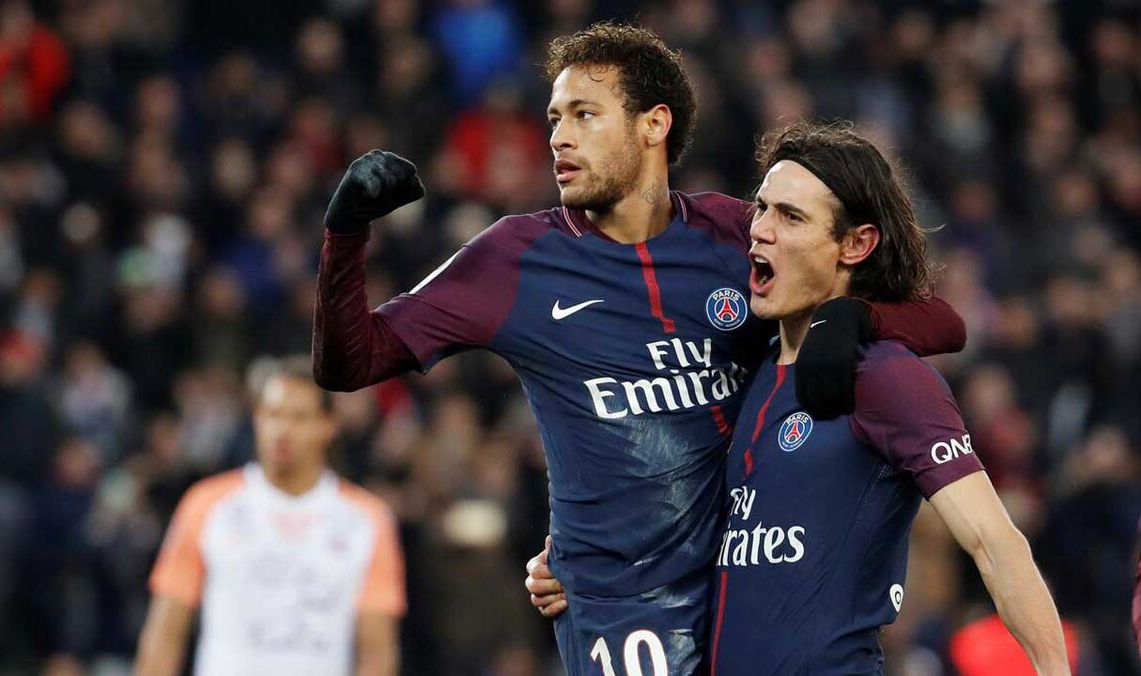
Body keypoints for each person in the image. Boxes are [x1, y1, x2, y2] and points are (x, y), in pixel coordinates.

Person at [313, 23, 965, 675]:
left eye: (584, 115)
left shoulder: (733, 234)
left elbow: (941, 322)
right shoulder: (514, 258)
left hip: (740, 588)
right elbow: (352, 362)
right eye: (554, 119)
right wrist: (345, 236)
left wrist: (851, 318)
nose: (558, 137)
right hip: (622, 612)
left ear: (653, 125)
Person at [533, 121, 1069, 675]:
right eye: (762, 209)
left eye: (791, 217)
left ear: (856, 244)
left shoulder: (886, 377)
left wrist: (1054, 669)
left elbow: (994, 543)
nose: (760, 230)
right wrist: (583, 568)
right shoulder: (747, 371)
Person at [134, 356, 405, 676]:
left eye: (298, 417)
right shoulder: (207, 506)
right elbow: (165, 635)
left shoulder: (366, 520)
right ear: (257, 419)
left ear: (328, 426)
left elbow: (376, 654)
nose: (282, 430)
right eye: (273, 414)